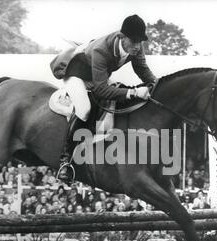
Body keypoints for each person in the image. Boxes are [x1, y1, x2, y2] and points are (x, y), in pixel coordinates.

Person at [52, 14, 157, 183]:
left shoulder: (135, 46)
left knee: (115, 97)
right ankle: (65, 161)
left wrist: (155, 84)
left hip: (96, 75)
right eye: (134, 41)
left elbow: (143, 70)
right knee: (84, 110)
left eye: (141, 41)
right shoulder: (101, 49)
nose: (138, 46)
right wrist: (134, 92)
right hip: (76, 73)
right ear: (122, 37)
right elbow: (101, 90)